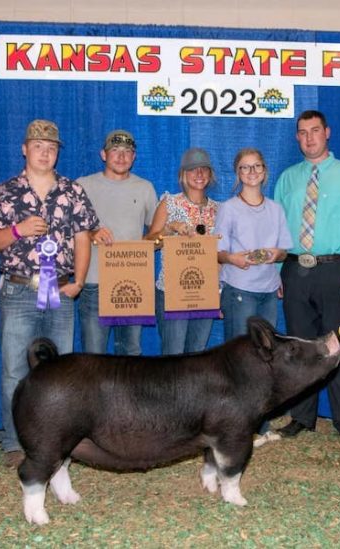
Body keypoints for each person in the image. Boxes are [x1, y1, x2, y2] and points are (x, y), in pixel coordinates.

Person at [0, 120, 99, 467]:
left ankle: (59, 443)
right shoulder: (5, 190)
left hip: (61, 290)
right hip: (19, 289)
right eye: (38, 146)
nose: (45, 152)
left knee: (61, 373)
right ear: (25, 149)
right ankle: (14, 441)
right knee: (14, 371)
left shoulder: (72, 191)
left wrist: (78, 281)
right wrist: (18, 231)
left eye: (51, 148)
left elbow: (83, 237)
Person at [273, 110, 340, 444]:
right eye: (302, 132)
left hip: (337, 268)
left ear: (327, 132)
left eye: (315, 130)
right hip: (295, 268)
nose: (309, 138)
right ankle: (302, 416)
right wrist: (277, 272)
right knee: (299, 347)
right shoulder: (287, 178)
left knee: (339, 343)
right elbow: (277, 229)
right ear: (297, 138)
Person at [214, 148, 292, 447]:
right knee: (239, 358)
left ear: (264, 171)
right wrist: (232, 259)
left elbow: (283, 250)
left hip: (268, 290)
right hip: (239, 288)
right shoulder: (229, 208)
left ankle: (260, 422)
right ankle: (234, 423)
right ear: (238, 173)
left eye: (256, 166)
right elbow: (218, 251)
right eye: (245, 168)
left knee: (265, 357)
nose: (251, 172)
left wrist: (276, 255)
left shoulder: (276, 209)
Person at [77, 130, 158, 355]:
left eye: (127, 151)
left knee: (131, 354)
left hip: (132, 284)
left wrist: (158, 240)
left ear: (134, 157)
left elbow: (156, 232)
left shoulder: (145, 188)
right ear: (103, 154)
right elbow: (66, 228)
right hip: (94, 282)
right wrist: (90, 232)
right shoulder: (83, 186)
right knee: (94, 358)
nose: (121, 157)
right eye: (115, 150)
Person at [144, 148, 219, 355]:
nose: (199, 174)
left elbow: (220, 255)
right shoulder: (169, 203)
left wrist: (219, 291)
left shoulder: (218, 209)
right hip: (172, 291)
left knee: (198, 356)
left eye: (204, 169)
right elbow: (149, 244)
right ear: (183, 174)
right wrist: (169, 229)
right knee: (173, 356)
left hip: (205, 290)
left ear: (210, 174)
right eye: (193, 169)